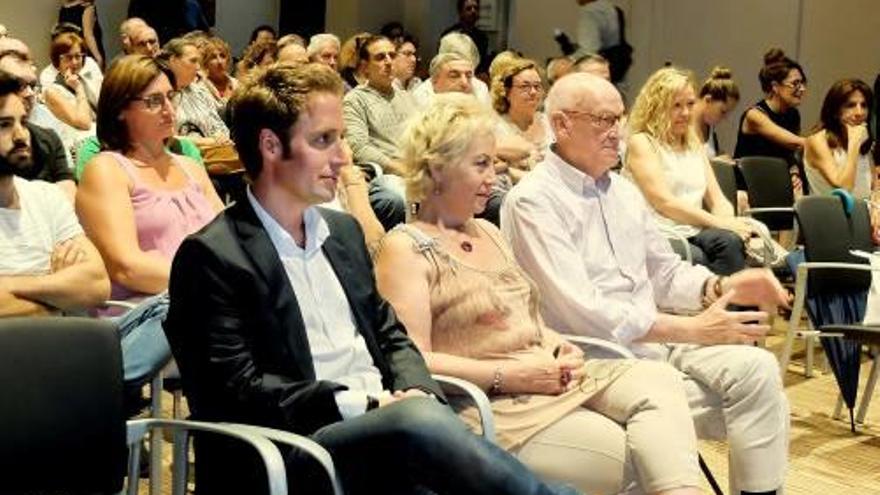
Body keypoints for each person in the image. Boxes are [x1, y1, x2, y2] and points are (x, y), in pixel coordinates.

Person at [163, 62, 578, 495]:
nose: (343, 156)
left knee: (421, 426)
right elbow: (238, 390)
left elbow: (389, 333)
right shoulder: (212, 255)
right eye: (324, 140)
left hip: (390, 431)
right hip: (295, 445)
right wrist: (367, 404)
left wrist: (416, 388)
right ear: (270, 145)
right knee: (420, 428)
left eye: (341, 138)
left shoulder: (340, 234)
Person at [375, 93, 702, 494]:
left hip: (548, 378)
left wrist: (558, 343)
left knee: (658, 380)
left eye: (494, 163)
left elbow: (524, 316)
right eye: (480, 164)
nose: (493, 177)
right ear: (436, 169)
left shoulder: (490, 232)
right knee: (633, 453)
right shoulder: (405, 248)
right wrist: (509, 375)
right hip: (493, 404)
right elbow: (415, 362)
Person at [502, 73, 791, 495]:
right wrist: (689, 329)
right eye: (604, 120)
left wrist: (725, 286)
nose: (617, 131)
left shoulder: (623, 193)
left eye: (619, 118)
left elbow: (666, 274)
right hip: (592, 360)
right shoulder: (533, 200)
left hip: (653, 345)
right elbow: (582, 311)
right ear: (561, 125)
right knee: (745, 398)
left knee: (759, 370)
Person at [76, 54, 223, 392]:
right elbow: (125, 267)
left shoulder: (190, 166)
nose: (169, 110)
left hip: (206, 303)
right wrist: (215, 283)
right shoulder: (108, 169)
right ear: (120, 110)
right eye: (154, 101)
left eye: (170, 97)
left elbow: (227, 244)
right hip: (146, 315)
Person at [0, 73, 108, 316]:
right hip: (10, 350)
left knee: (169, 313)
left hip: (67, 343)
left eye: (23, 122)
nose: (21, 136)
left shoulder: (46, 196)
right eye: (4, 125)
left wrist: (9, 286)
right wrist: (59, 289)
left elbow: (98, 284)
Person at [625, 67, 748, 275]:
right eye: (676, 105)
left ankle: (725, 301)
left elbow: (717, 199)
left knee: (733, 240)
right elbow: (664, 203)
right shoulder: (642, 142)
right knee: (725, 247)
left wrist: (730, 222)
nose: (686, 112)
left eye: (690, 104)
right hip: (660, 230)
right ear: (657, 107)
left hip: (694, 229)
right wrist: (720, 223)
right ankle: (721, 301)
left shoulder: (694, 144)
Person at [343, 35, 416, 231]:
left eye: (392, 55)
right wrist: (399, 168)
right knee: (400, 199)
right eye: (380, 57)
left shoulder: (406, 98)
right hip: (385, 174)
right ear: (365, 66)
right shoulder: (355, 99)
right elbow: (358, 146)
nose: (388, 62)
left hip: (415, 169)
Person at [0, 46, 76, 201]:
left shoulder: (48, 135)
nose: (29, 93)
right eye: (19, 85)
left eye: (32, 85)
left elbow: (68, 198)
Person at [486, 57, 551, 225]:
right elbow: (492, 168)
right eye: (524, 86)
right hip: (507, 198)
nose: (533, 92)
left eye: (537, 86)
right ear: (505, 91)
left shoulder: (551, 124)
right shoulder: (492, 126)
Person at [734, 48, 807, 192]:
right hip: (748, 187)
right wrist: (822, 143)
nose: (802, 89)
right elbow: (793, 142)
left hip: (774, 184)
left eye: (803, 83)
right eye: (795, 83)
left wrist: (794, 172)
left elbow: (788, 153)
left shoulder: (793, 114)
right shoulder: (754, 115)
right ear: (775, 87)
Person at [804, 79, 876, 199]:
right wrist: (854, 144)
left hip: (864, 212)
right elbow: (844, 188)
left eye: (864, 105)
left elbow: (873, 186)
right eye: (851, 105)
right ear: (835, 111)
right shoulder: (817, 141)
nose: (859, 112)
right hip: (832, 214)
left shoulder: (862, 137)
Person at [160, 38, 231, 149]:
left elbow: (221, 129)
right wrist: (207, 142)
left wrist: (219, 138)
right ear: (173, 61)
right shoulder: (160, 95)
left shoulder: (200, 91)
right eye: (193, 61)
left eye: (199, 62)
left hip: (214, 156)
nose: (198, 67)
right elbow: (166, 137)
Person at [42, 31, 100, 155]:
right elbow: (84, 123)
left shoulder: (85, 78)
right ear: (57, 62)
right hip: (80, 147)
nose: (74, 62)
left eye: (78, 56)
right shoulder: (52, 91)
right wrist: (78, 89)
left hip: (100, 138)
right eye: (68, 57)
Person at [693, 66, 740, 160]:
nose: (725, 117)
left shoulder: (710, 127)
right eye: (722, 111)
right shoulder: (682, 124)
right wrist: (715, 162)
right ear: (708, 100)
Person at [442, 0, 489, 75]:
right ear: (461, 13)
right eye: (468, 8)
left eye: (476, 8)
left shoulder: (482, 37)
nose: (473, 11)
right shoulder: (449, 35)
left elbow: (483, 63)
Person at [58, 0, 105, 69]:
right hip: (86, 53)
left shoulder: (64, 8)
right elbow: (88, 35)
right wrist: (98, 57)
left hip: (70, 52)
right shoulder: (87, 8)